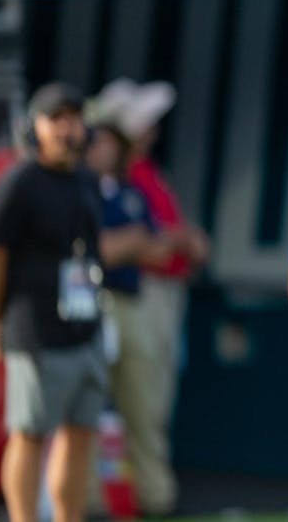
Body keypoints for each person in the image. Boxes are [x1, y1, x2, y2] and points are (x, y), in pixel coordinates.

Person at [0, 83, 106, 522]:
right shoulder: (20, 182)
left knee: (81, 432)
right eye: (56, 119)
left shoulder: (85, 180)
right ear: (35, 127)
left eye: (74, 117)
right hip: (35, 331)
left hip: (85, 325)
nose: (68, 128)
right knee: (30, 434)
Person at [92, 78, 207, 518]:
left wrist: (166, 242)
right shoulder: (94, 185)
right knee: (93, 411)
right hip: (114, 299)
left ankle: (155, 500)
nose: (151, 133)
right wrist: (143, 242)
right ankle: (94, 504)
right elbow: (121, 246)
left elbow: (156, 242)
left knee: (149, 406)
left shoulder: (137, 179)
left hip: (146, 298)